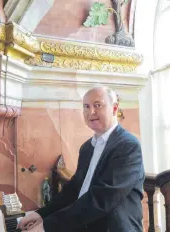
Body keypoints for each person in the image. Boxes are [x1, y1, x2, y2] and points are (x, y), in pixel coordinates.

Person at [18, 85, 145, 232]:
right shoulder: (87, 147)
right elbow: (73, 189)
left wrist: (47, 226)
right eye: (86, 106)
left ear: (114, 109)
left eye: (98, 105)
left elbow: (101, 199)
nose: (91, 112)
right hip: (86, 223)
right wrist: (41, 214)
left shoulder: (127, 146)